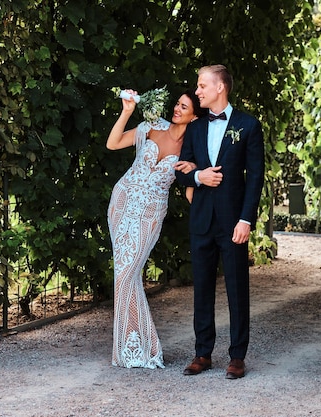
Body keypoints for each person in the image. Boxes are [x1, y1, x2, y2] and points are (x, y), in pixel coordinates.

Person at [174, 65, 265, 379]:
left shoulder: (248, 126)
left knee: (237, 288)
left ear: (220, 88)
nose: (197, 91)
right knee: (201, 288)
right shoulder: (196, 128)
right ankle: (203, 353)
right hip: (201, 219)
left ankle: (237, 356)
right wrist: (199, 176)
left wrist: (245, 220)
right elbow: (180, 170)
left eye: (201, 86)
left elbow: (255, 179)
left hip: (232, 222)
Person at [107, 89, 206, 368]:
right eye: (177, 103)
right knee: (124, 275)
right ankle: (134, 348)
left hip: (150, 213)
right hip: (123, 201)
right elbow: (113, 143)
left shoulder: (192, 149)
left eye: (184, 107)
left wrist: (197, 180)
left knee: (127, 275)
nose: (177, 109)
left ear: (195, 115)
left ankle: (142, 346)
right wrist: (127, 111)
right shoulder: (151, 126)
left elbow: (191, 189)